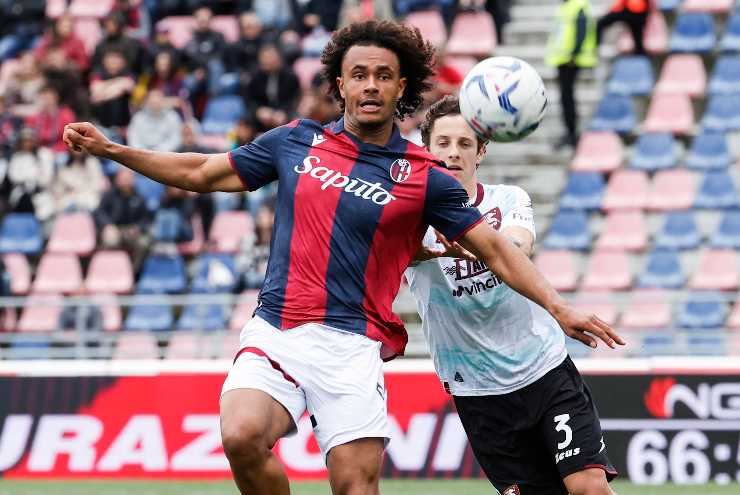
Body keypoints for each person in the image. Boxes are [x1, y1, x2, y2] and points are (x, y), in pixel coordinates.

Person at [64, 20, 622, 495]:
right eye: (359, 75)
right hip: (278, 327)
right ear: (341, 84)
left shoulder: (425, 178)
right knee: (239, 434)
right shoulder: (295, 142)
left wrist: (558, 306)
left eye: (383, 75)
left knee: (355, 486)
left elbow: (499, 250)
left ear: (401, 85)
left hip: (354, 347)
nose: (371, 85)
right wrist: (113, 148)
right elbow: (201, 173)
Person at [406, 95, 619, 495]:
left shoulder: (508, 199)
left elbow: (518, 246)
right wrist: (433, 247)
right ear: (426, 151)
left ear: (481, 151)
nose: (454, 153)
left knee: (588, 487)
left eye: (465, 144)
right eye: (444, 143)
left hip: (544, 370)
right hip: (478, 391)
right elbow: (392, 251)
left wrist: (485, 246)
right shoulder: (407, 218)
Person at [546, 0, 597, 150]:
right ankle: (570, 132)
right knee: (565, 97)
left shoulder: (578, 5)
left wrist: (574, 54)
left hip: (570, 60)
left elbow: (581, 31)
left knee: (567, 97)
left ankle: (572, 133)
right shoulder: (567, 6)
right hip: (563, 59)